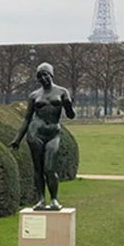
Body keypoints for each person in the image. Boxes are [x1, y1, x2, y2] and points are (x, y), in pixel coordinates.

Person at [10, 62, 75, 211]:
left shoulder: (62, 92)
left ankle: (54, 199)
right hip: (35, 134)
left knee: (49, 168)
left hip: (53, 134)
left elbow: (71, 116)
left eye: (45, 75)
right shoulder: (34, 95)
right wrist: (17, 139)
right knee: (38, 169)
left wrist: (68, 105)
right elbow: (27, 118)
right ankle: (40, 199)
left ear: (51, 75)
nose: (43, 78)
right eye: (39, 76)